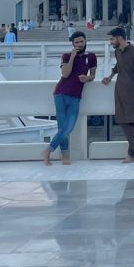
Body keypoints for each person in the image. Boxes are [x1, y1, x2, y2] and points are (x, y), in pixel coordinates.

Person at [42, 31, 97, 166]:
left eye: (81, 42)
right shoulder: (66, 56)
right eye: (76, 42)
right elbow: (65, 74)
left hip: (76, 96)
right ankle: (65, 156)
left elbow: (92, 76)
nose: (79, 44)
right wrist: (72, 57)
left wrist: (87, 78)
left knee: (69, 127)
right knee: (62, 127)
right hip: (61, 93)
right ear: (72, 43)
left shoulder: (91, 57)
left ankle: (48, 150)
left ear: (85, 41)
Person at [101, 26, 134, 163]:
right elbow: (118, 66)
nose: (111, 42)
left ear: (120, 38)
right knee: (122, 120)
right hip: (120, 90)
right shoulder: (117, 52)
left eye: (112, 39)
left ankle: (133, 153)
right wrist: (110, 76)